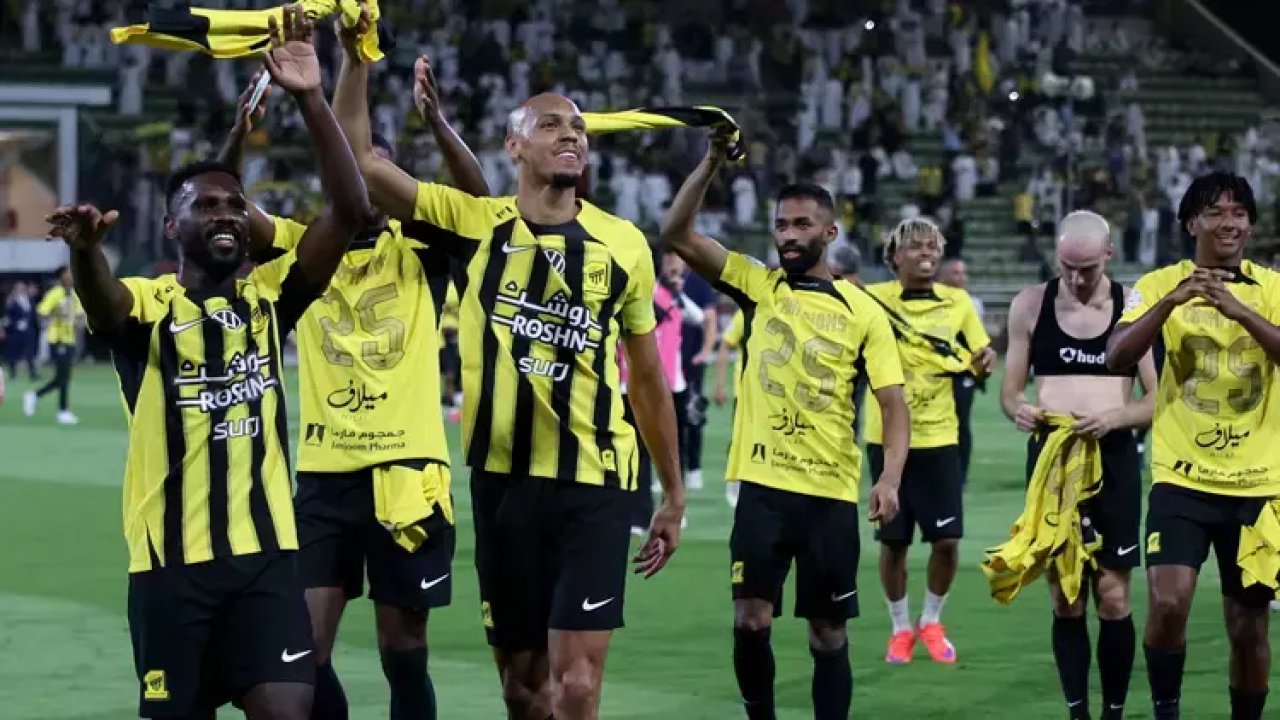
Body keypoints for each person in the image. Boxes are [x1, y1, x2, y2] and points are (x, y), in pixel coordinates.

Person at [334, 34, 685, 720]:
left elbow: (646, 378)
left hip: (594, 483)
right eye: (551, 125)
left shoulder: (624, 244)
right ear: (513, 146)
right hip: (502, 485)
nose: (571, 135)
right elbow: (359, 160)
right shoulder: (475, 226)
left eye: (578, 127)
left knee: (576, 685)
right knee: (522, 689)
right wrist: (355, 59)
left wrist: (672, 493)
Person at [44, 8, 373, 718]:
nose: (226, 213)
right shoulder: (150, 306)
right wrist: (86, 253)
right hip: (171, 571)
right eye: (206, 205)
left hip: (266, 564)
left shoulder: (271, 299)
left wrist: (311, 97)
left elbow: (350, 211)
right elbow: (104, 303)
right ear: (172, 226)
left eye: (236, 205)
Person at [219, 13, 491, 718]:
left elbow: (480, 209)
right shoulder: (300, 244)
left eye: (376, 167)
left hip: (408, 469)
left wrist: (439, 127)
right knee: (305, 650)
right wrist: (240, 134)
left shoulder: (422, 250)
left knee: (404, 650)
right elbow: (223, 211)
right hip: (325, 474)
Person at [662, 133, 909, 720]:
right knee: (750, 622)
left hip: (829, 493)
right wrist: (712, 161)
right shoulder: (758, 283)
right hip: (763, 487)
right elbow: (676, 234)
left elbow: (893, 404)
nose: (789, 235)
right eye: (781, 225)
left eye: (802, 224)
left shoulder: (864, 310)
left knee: (828, 633)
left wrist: (890, 477)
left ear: (830, 232)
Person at [1107, 172, 1280, 720]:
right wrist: (1170, 304)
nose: (1229, 222)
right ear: (1190, 224)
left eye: (1239, 213)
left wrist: (1240, 311)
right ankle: (1167, 712)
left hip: (1258, 483)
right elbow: (1116, 355)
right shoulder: (1160, 282)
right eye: (1215, 212)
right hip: (1181, 477)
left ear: (1250, 225)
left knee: (1249, 624)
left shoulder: (1272, 289)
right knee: (1167, 602)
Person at [1000, 211, 1158, 720]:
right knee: (1065, 595)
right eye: (1067, 266)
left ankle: (1112, 711)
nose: (1076, 277)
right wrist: (1019, 409)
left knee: (1112, 595)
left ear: (1109, 254)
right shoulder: (1030, 304)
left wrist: (1115, 418)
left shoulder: (1134, 308)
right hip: (1052, 460)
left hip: (1112, 458)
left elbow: (1157, 400)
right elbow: (1010, 391)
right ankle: (1077, 713)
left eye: (1087, 267)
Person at [862, 218, 997, 665]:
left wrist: (985, 359)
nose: (927, 253)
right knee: (893, 542)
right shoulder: (871, 299)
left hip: (939, 436)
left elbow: (979, 355)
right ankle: (900, 628)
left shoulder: (958, 303)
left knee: (948, 540)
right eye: (916, 246)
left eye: (933, 247)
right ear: (894, 256)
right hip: (886, 438)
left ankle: (931, 620)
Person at [936, 258, 980, 485]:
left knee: (961, 422)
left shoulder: (972, 304)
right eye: (955, 273)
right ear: (942, 276)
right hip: (935, 373)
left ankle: (960, 474)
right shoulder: (932, 302)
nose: (961, 277)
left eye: (963, 273)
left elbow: (978, 341)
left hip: (963, 373)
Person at [23, 267, 83, 423]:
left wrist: (77, 319)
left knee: (63, 377)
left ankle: (34, 396)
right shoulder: (55, 294)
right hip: (57, 339)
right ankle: (63, 411)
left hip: (69, 339)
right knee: (63, 377)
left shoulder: (74, 295)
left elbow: (78, 315)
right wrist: (56, 313)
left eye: (72, 274)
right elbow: (41, 312)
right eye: (67, 275)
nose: (71, 277)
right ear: (61, 278)